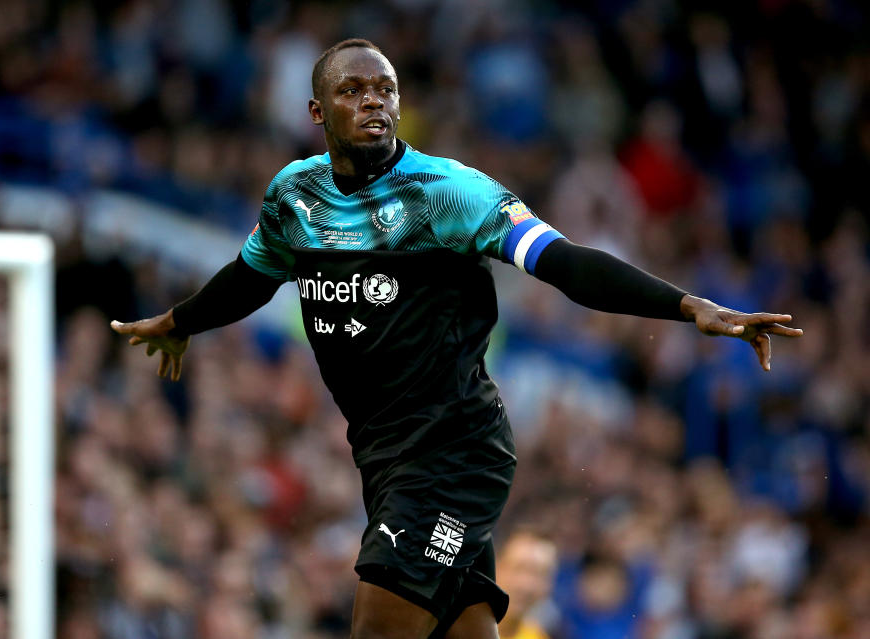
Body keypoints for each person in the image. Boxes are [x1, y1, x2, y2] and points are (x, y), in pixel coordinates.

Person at [111, 38, 802, 639]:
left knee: (379, 628)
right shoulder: (296, 196)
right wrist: (179, 323)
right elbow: (251, 274)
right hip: (384, 458)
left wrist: (688, 306)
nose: (374, 101)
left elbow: (563, 262)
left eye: (386, 88)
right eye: (352, 91)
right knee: (464, 627)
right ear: (318, 114)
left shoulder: (448, 193)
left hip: (452, 453)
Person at [495, 530, 557, 639]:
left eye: (540, 574)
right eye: (519, 568)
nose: (526, 586)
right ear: (495, 567)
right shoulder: (459, 622)